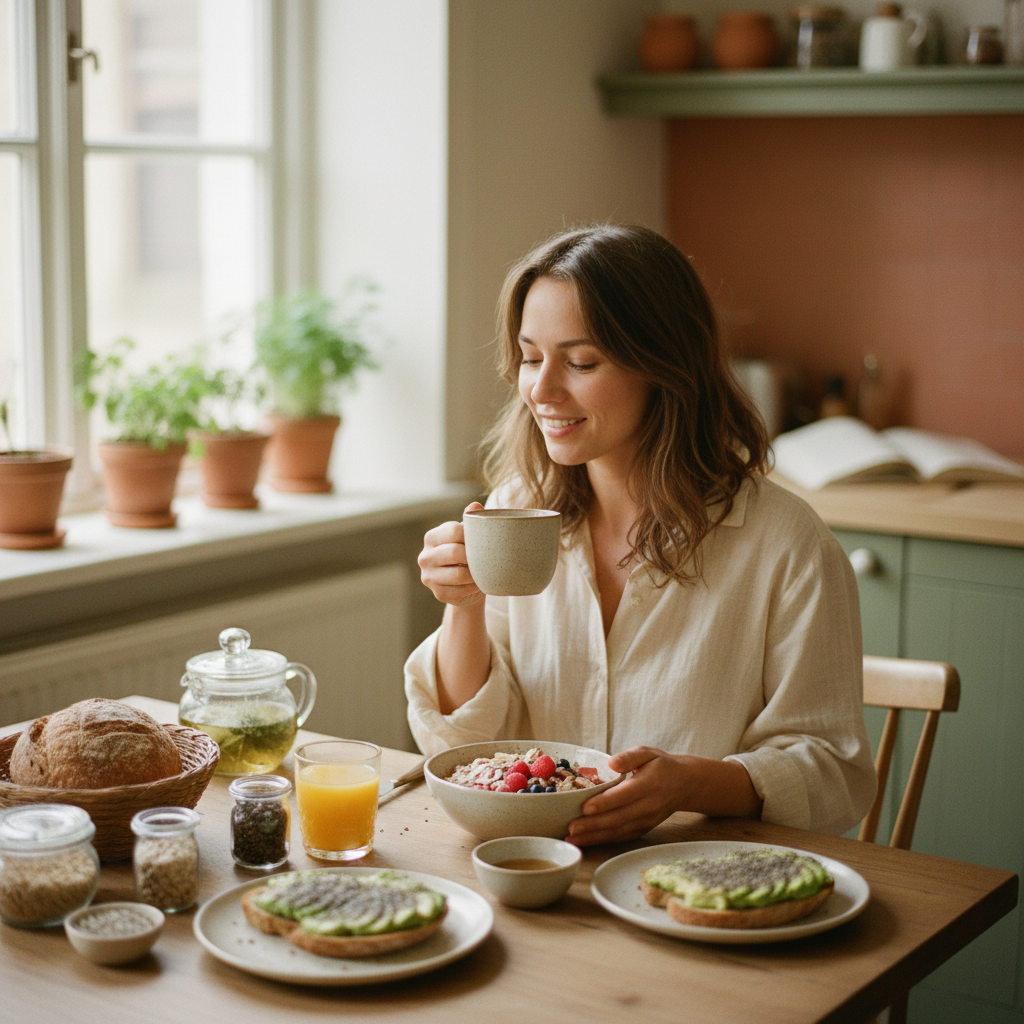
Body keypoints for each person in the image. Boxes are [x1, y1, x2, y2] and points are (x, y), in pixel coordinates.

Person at [405, 224, 876, 845]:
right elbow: (465, 744)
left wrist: (694, 785)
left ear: (664, 365)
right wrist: (463, 606)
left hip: (693, 874)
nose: (540, 390)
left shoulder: (787, 545)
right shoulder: (515, 511)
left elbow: (834, 773)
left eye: (580, 362)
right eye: (530, 357)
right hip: (531, 865)